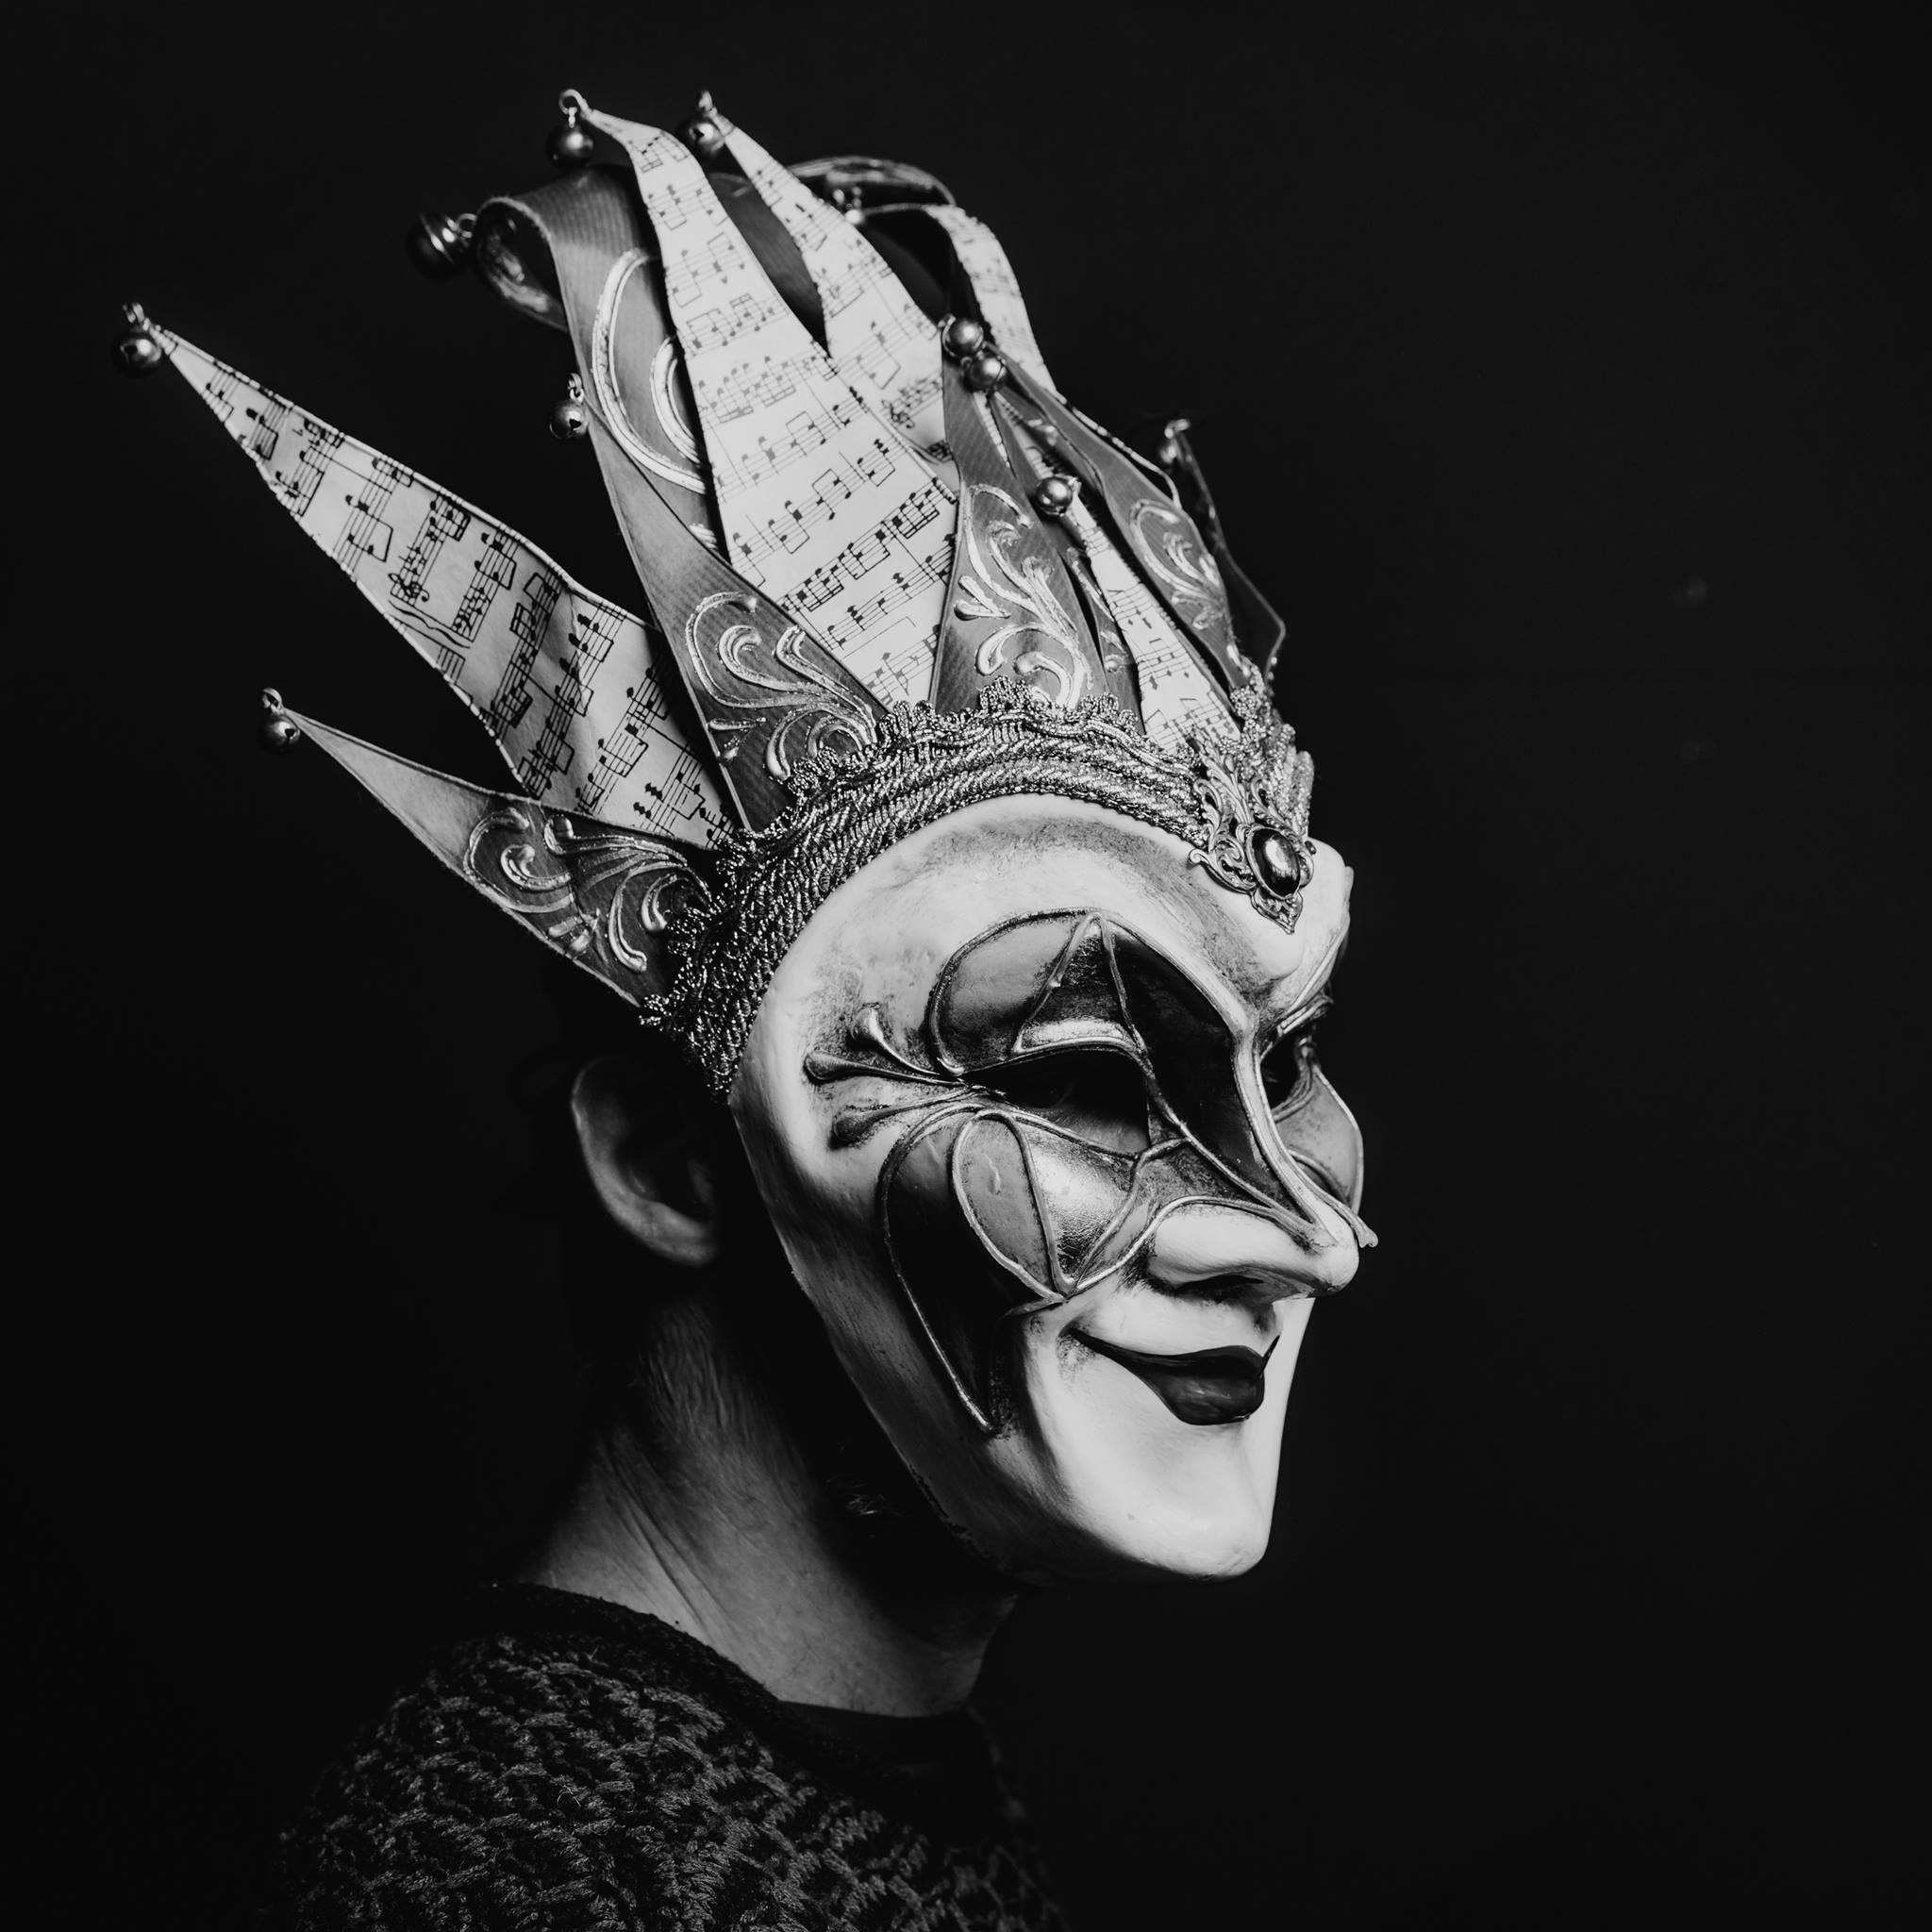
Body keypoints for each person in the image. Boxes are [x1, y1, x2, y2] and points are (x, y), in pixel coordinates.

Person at [120, 83, 1372, 1932]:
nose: (1308, 1233)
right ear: (666, 1159)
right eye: (1088, 1074)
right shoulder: (523, 1881)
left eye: (1292, 1052)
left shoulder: (853, 1785)